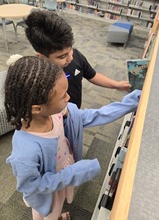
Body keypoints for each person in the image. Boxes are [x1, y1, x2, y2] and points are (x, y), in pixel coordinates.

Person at [5, 56, 140, 220]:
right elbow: (33, 186)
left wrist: (128, 104)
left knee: (57, 205)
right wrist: (73, 173)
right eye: (63, 97)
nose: (69, 98)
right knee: (46, 210)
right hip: (50, 187)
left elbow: (93, 116)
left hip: (62, 172)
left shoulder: (59, 112)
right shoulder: (25, 152)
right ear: (37, 108)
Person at [24, 10, 131, 108]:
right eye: (62, 56)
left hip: (74, 111)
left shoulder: (76, 56)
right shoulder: (36, 78)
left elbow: (92, 75)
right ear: (42, 56)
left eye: (70, 50)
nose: (70, 58)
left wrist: (116, 84)